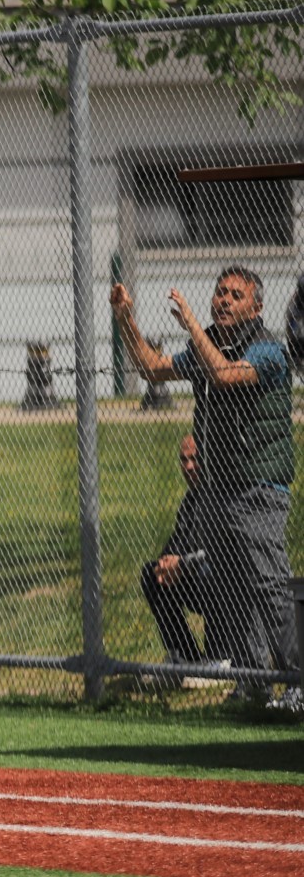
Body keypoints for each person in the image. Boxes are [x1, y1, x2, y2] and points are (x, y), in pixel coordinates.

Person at [112, 267, 298, 711]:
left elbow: (226, 375)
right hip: (218, 491)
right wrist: (125, 320)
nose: (224, 300)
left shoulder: (270, 349)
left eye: (236, 295)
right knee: (235, 589)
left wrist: (194, 325)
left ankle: (299, 683)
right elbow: (152, 369)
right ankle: (253, 685)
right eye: (220, 292)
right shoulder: (206, 344)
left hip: (258, 489)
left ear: (256, 307)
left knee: (270, 587)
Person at [136, 433, 243, 687]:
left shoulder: (221, 495)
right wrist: (166, 565)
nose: (189, 466)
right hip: (194, 578)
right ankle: (185, 658)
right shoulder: (189, 502)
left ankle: (221, 658)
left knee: (208, 570)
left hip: (228, 586)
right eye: (184, 460)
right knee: (151, 573)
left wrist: (182, 564)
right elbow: (176, 545)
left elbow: (220, 553)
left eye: (195, 459)